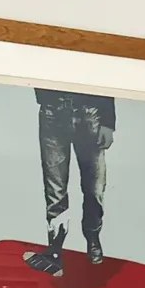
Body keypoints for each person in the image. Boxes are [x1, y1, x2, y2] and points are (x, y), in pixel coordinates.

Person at [22, 87, 116, 278]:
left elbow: (104, 77)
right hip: (52, 112)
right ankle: (55, 249)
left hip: (89, 113)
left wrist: (108, 122)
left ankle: (93, 238)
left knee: (94, 187)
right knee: (55, 189)